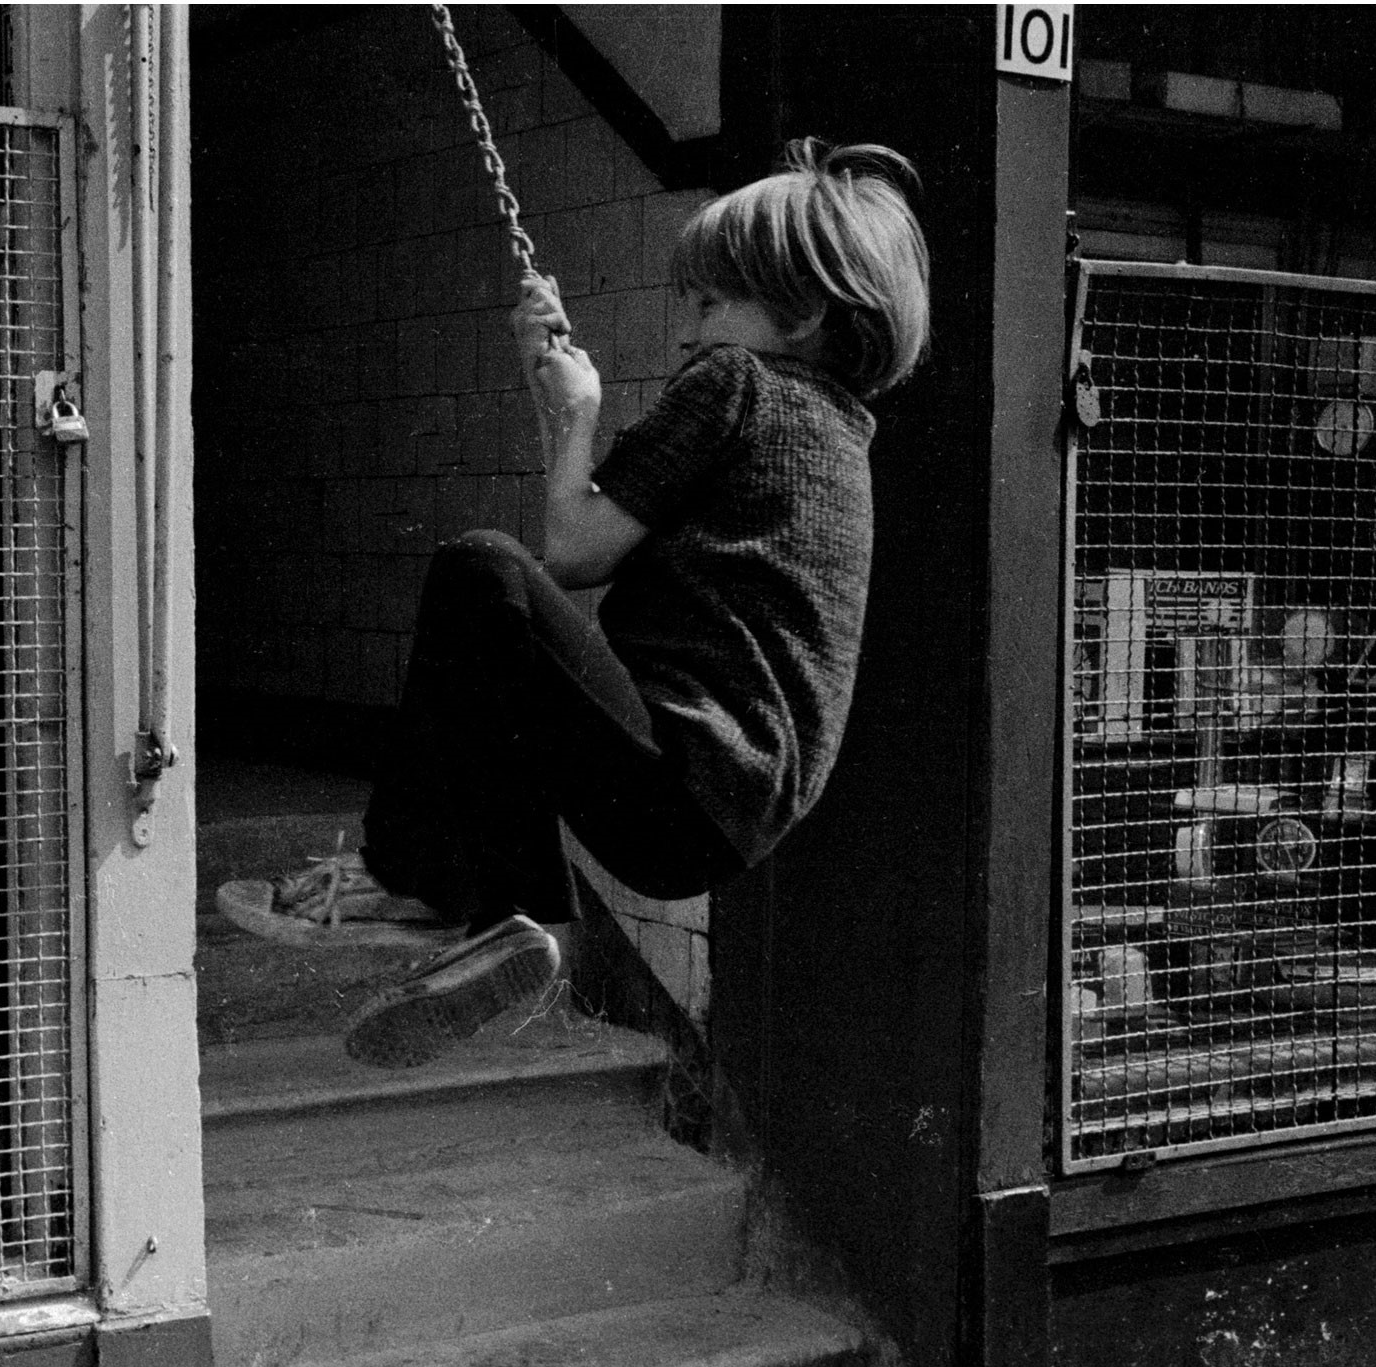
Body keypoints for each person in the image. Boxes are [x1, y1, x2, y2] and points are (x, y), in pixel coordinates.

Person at [226, 138, 930, 1067]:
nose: (688, 331)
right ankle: (505, 918)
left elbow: (570, 550)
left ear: (798, 314)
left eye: (709, 303)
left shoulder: (736, 385)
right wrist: (551, 391)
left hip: (679, 776)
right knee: (503, 625)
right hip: (717, 821)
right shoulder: (839, 430)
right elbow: (575, 551)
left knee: (483, 570)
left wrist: (582, 412)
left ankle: (412, 878)